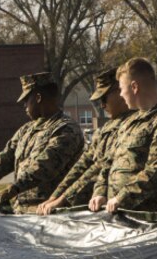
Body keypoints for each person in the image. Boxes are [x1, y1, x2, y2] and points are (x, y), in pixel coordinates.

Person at [0, 72, 83, 213]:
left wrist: (11, 189)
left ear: (38, 98)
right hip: (21, 211)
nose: (24, 106)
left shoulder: (66, 129)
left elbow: (43, 168)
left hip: (50, 212)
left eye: (26, 100)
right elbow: (0, 164)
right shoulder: (26, 130)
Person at [89, 58, 157, 214]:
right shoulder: (129, 122)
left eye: (121, 88)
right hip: (116, 216)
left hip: (146, 219)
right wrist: (100, 192)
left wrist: (121, 198)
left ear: (134, 87)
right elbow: (108, 162)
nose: (120, 94)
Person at [37, 68, 135, 215]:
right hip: (105, 211)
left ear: (119, 91)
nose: (102, 105)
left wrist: (63, 199)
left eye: (104, 99)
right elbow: (82, 166)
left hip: (132, 209)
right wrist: (55, 196)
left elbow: (98, 169)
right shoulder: (105, 130)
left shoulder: (134, 126)